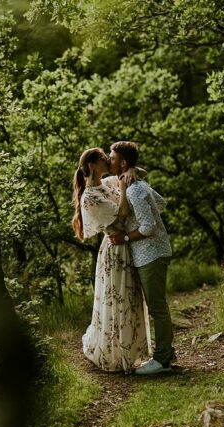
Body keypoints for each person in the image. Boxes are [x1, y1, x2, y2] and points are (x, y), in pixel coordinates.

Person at [73, 147, 150, 372]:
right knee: (117, 298)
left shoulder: (106, 183)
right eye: (104, 159)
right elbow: (123, 212)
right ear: (91, 166)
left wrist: (132, 170)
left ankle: (133, 350)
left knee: (130, 298)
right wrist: (125, 187)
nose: (108, 161)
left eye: (110, 158)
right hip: (114, 250)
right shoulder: (90, 196)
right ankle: (117, 354)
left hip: (126, 245)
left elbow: (141, 174)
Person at [106, 140, 175, 375]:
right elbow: (161, 203)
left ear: (123, 163)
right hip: (152, 253)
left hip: (151, 254)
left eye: (112, 158)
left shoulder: (134, 189)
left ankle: (163, 360)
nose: (109, 161)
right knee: (157, 305)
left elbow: (148, 227)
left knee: (157, 307)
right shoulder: (138, 184)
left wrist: (125, 237)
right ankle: (166, 352)